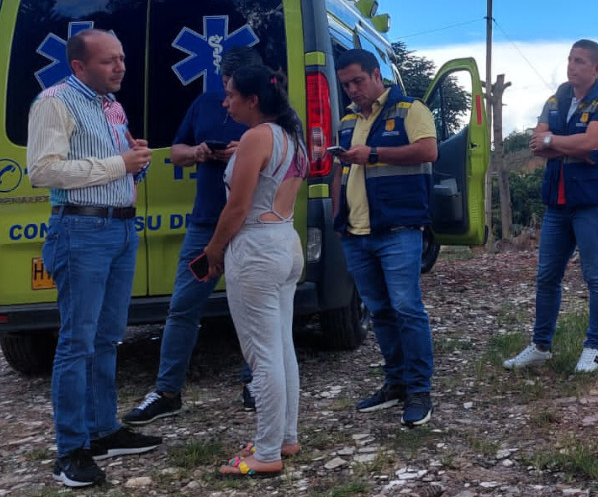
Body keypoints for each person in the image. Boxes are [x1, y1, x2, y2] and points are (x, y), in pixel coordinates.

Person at [27, 28, 161, 488]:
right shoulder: (55, 101)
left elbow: (119, 160)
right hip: (81, 230)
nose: (120, 66)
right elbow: (42, 170)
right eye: (108, 61)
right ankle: (71, 451)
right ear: (79, 66)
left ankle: (104, 430)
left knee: (108, 337)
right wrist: (117, 165)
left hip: (120, 227)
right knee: (77, 342)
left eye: (121, 58)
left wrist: (134, 162)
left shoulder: (112, 106)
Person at [123, 46, 262, 426]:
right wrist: (198, 152)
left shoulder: (267, 113)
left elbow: (286, 160)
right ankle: (167, 392)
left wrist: (244, 152)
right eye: (227, 84)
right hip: (204, 223)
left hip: (251, 224)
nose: (228, 93)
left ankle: (256, 382)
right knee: (182, 306)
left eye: (235, 87)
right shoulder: (204, 104)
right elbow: (175, 152)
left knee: (251, 308)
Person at [202, 64, 308, 478]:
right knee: (282, 348)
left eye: (230, 94)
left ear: (254, 99)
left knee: (262, 356)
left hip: (254, 248)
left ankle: (266, 452)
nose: (225, 101)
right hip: (285, 241)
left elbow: (238, 206)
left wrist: (213, 249)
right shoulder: (290, 136)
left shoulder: (255, 137)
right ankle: (285, 436)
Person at [504, 39, 598, 374]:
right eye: (570, 59)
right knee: (546, 277)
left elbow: (594, 144)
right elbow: (536, 144)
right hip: (556, 204)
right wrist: (568, 147)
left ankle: (593, 347)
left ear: (597, 68)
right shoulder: (555, 101)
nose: (572, 66)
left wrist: (554, 142)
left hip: (593, 203)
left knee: (596, 277)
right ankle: (541, 346)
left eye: (581, 61)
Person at [332, 48, 438, 427]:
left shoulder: (410, 109)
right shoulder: (346, 119)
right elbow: (340, 170)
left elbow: (429, 150)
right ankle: (394, 382)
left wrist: (374, 153)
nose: (353, 90)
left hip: (397, 228)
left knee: (407, 308)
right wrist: (336, 214)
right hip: (355, 232)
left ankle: (419, 390)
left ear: (377, 75)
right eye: (346, 84)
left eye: (358, 81)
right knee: (379, 312)